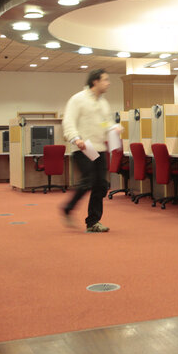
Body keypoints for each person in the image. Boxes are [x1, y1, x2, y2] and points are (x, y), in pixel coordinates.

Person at [61, 69, 113, 233]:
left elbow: (105, 123)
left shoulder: (103, 103)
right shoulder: (78, 99)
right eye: (105, 80)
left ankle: (93, 222)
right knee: (89, 180)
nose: (108, 83)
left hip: (99, 147)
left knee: (100, 185)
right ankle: (68, 208)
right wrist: (76, 138)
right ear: (95, 81)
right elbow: (69, 122)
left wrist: (113, 128)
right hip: (84, 146)